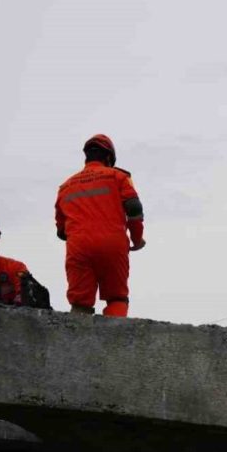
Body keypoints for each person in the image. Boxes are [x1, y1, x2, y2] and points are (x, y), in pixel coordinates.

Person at [55, 134, 145, 317]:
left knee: (80, 303)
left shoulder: (65, 186)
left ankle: (79, 341)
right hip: (113, 245)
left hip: (78, 247)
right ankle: (114, 342)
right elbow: (134, 207)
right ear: (109, 157)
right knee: (116, 298)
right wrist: (137, 239)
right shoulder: (118, 176)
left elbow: (61, 230)